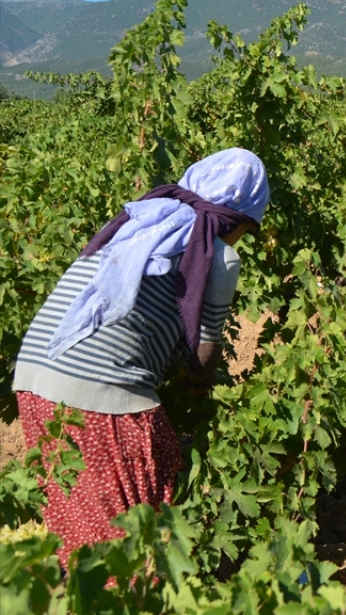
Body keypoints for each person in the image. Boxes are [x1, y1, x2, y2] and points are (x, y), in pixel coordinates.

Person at [12, 147, 270, 565]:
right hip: (99, 399)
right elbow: (202, 354)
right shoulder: (218, 253)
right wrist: (203, 387)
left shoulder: (143, 218)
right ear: (238, 219)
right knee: (131, 540)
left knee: (78, 527)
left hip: (36, 376)